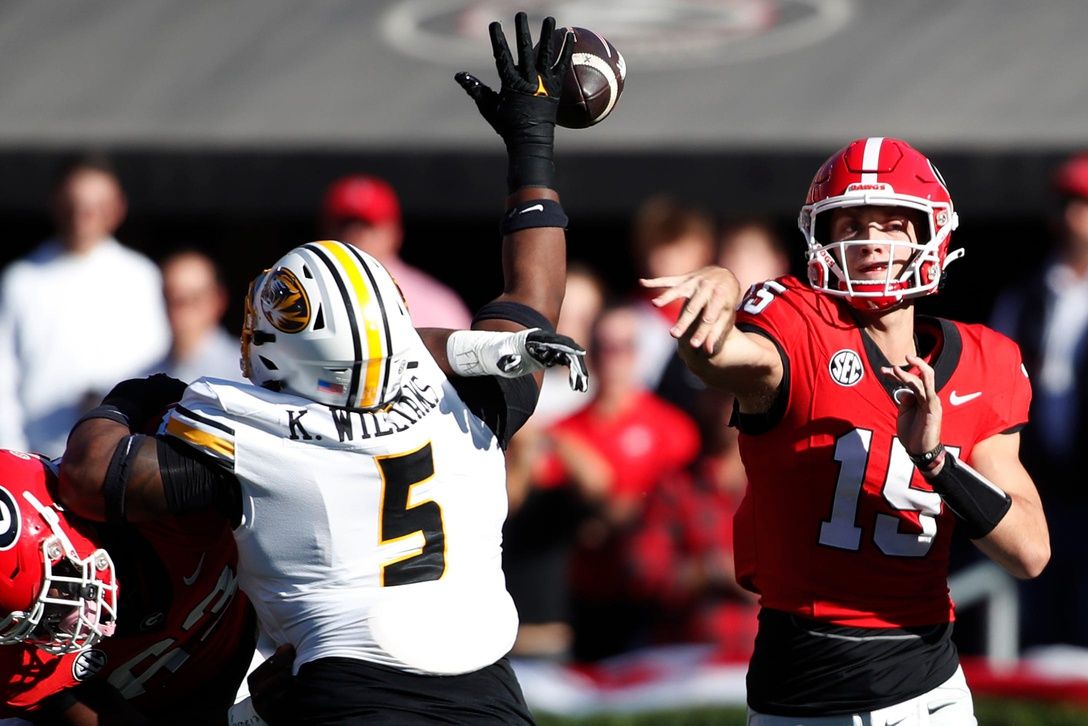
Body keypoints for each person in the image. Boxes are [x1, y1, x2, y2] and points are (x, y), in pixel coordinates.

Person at [57, 13, 586, 725]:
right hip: (489, 698)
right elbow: (533, 291)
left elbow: (94, 474)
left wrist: (137, 393)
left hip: (345, 700)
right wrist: (533, 147)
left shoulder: (250, 436)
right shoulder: (475, 404)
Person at [642, 137, 1049, 724]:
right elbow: (722, 357)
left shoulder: (988, 360)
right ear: (822, 239)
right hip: (805, 688)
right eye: (852, 222)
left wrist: (937, 461)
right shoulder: (796, 321)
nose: (870, 240)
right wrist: (721, 290)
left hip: (930, 686)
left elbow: (1030, 551)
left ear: (929, 234)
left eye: (891, 224)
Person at [0, 446, 255, 724]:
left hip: (280, 606)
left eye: (55, 590)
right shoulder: (15, 660)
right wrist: (249, 717)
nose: (52, 628)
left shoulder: (159, 493)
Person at [0, 154, 169, 457]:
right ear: (56, 204)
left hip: (121, 457)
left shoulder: (141, 276)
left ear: (117, 208)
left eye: (95, 206)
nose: (83, 215)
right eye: (74, 204)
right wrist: (12, 452)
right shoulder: (21, 280)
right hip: (37, 456)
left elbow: (154, 364)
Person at [991, 152, 1088, 648]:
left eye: (1085, 204)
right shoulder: (1027, 295)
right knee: (1038, 628)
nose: (1076, 217)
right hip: (1039, 486)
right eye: (1069, 203)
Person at [321, 174, 473, 329]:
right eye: (344, 225)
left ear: (394, 233)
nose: (354, 235)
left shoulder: (436, 304)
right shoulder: (307, 294)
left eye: (368, 226)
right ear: (325, 230)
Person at [629, 195, 717, 390]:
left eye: (680, 250)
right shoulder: (627, 323)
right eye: (659, 250)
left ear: (705, 250)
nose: (668, 260)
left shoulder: (723, 316)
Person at [145, 249, 246, 383]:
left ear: (218, 300)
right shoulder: (141, 381)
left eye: (194, 298)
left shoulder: (248, 376)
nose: (182, 310)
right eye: (171, 297)